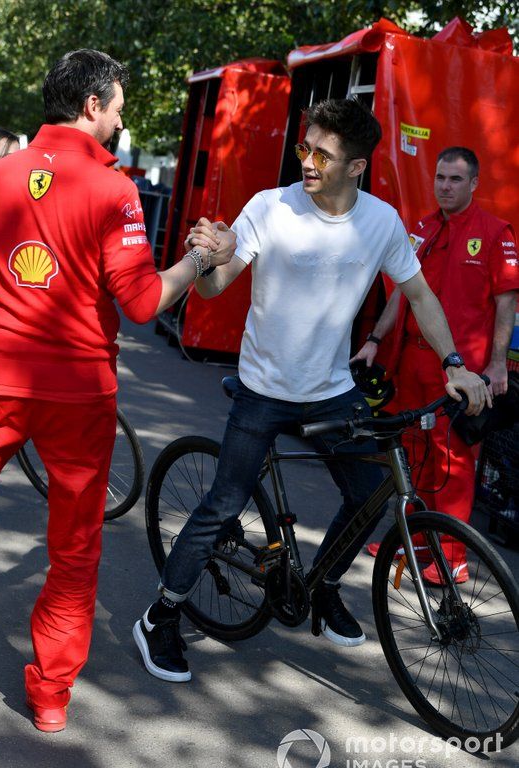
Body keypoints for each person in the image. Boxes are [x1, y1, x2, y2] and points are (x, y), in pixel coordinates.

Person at [133, 100, 490, 684]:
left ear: (356, 167)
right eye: (305, 148)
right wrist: (207, 259)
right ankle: (161, 614)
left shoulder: (380, 222)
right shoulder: (270, 208)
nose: (308, 161)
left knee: (370, 492)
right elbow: (219, 286)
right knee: (222, 504)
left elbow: (422, 297)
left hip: (333, 389)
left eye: (323, 154)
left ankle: (322, 587)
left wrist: (456, 363)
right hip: (264, 388)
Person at [0, 49, 235, 732]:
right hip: (75, 393)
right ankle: (49, 696)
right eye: (120, 106)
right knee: (73, 548)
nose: (122, 118)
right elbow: (143, 301)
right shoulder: (114, 189)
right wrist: (198, 259)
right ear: (92, 106)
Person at [357, 147, 518, 583]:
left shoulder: (495, 232)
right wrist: (375, 339)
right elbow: (399, 294)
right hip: (410, 365)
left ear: (474, 184)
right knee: (410, 454)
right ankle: (412, 540)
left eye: (455, 179)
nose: (445, 186)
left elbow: (507, 304)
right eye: (440, 178)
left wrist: (499, 364)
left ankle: (451, 557)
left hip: (460, 373)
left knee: (454, 462)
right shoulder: (422, 229)